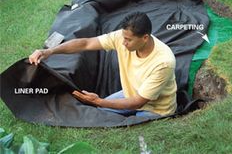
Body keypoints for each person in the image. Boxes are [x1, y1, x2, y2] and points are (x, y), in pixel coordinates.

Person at [29, 12, 177, 117]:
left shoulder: (163, 62)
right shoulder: (122, 37)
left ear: (145, 38)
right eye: (123, 37)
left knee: (118, 125)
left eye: (128, 40)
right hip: (130, 93)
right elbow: (86, 44)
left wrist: (99, 101)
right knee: (98, 113)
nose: (123, 42)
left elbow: (137, 102)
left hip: (155, 110)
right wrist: (49, 52)